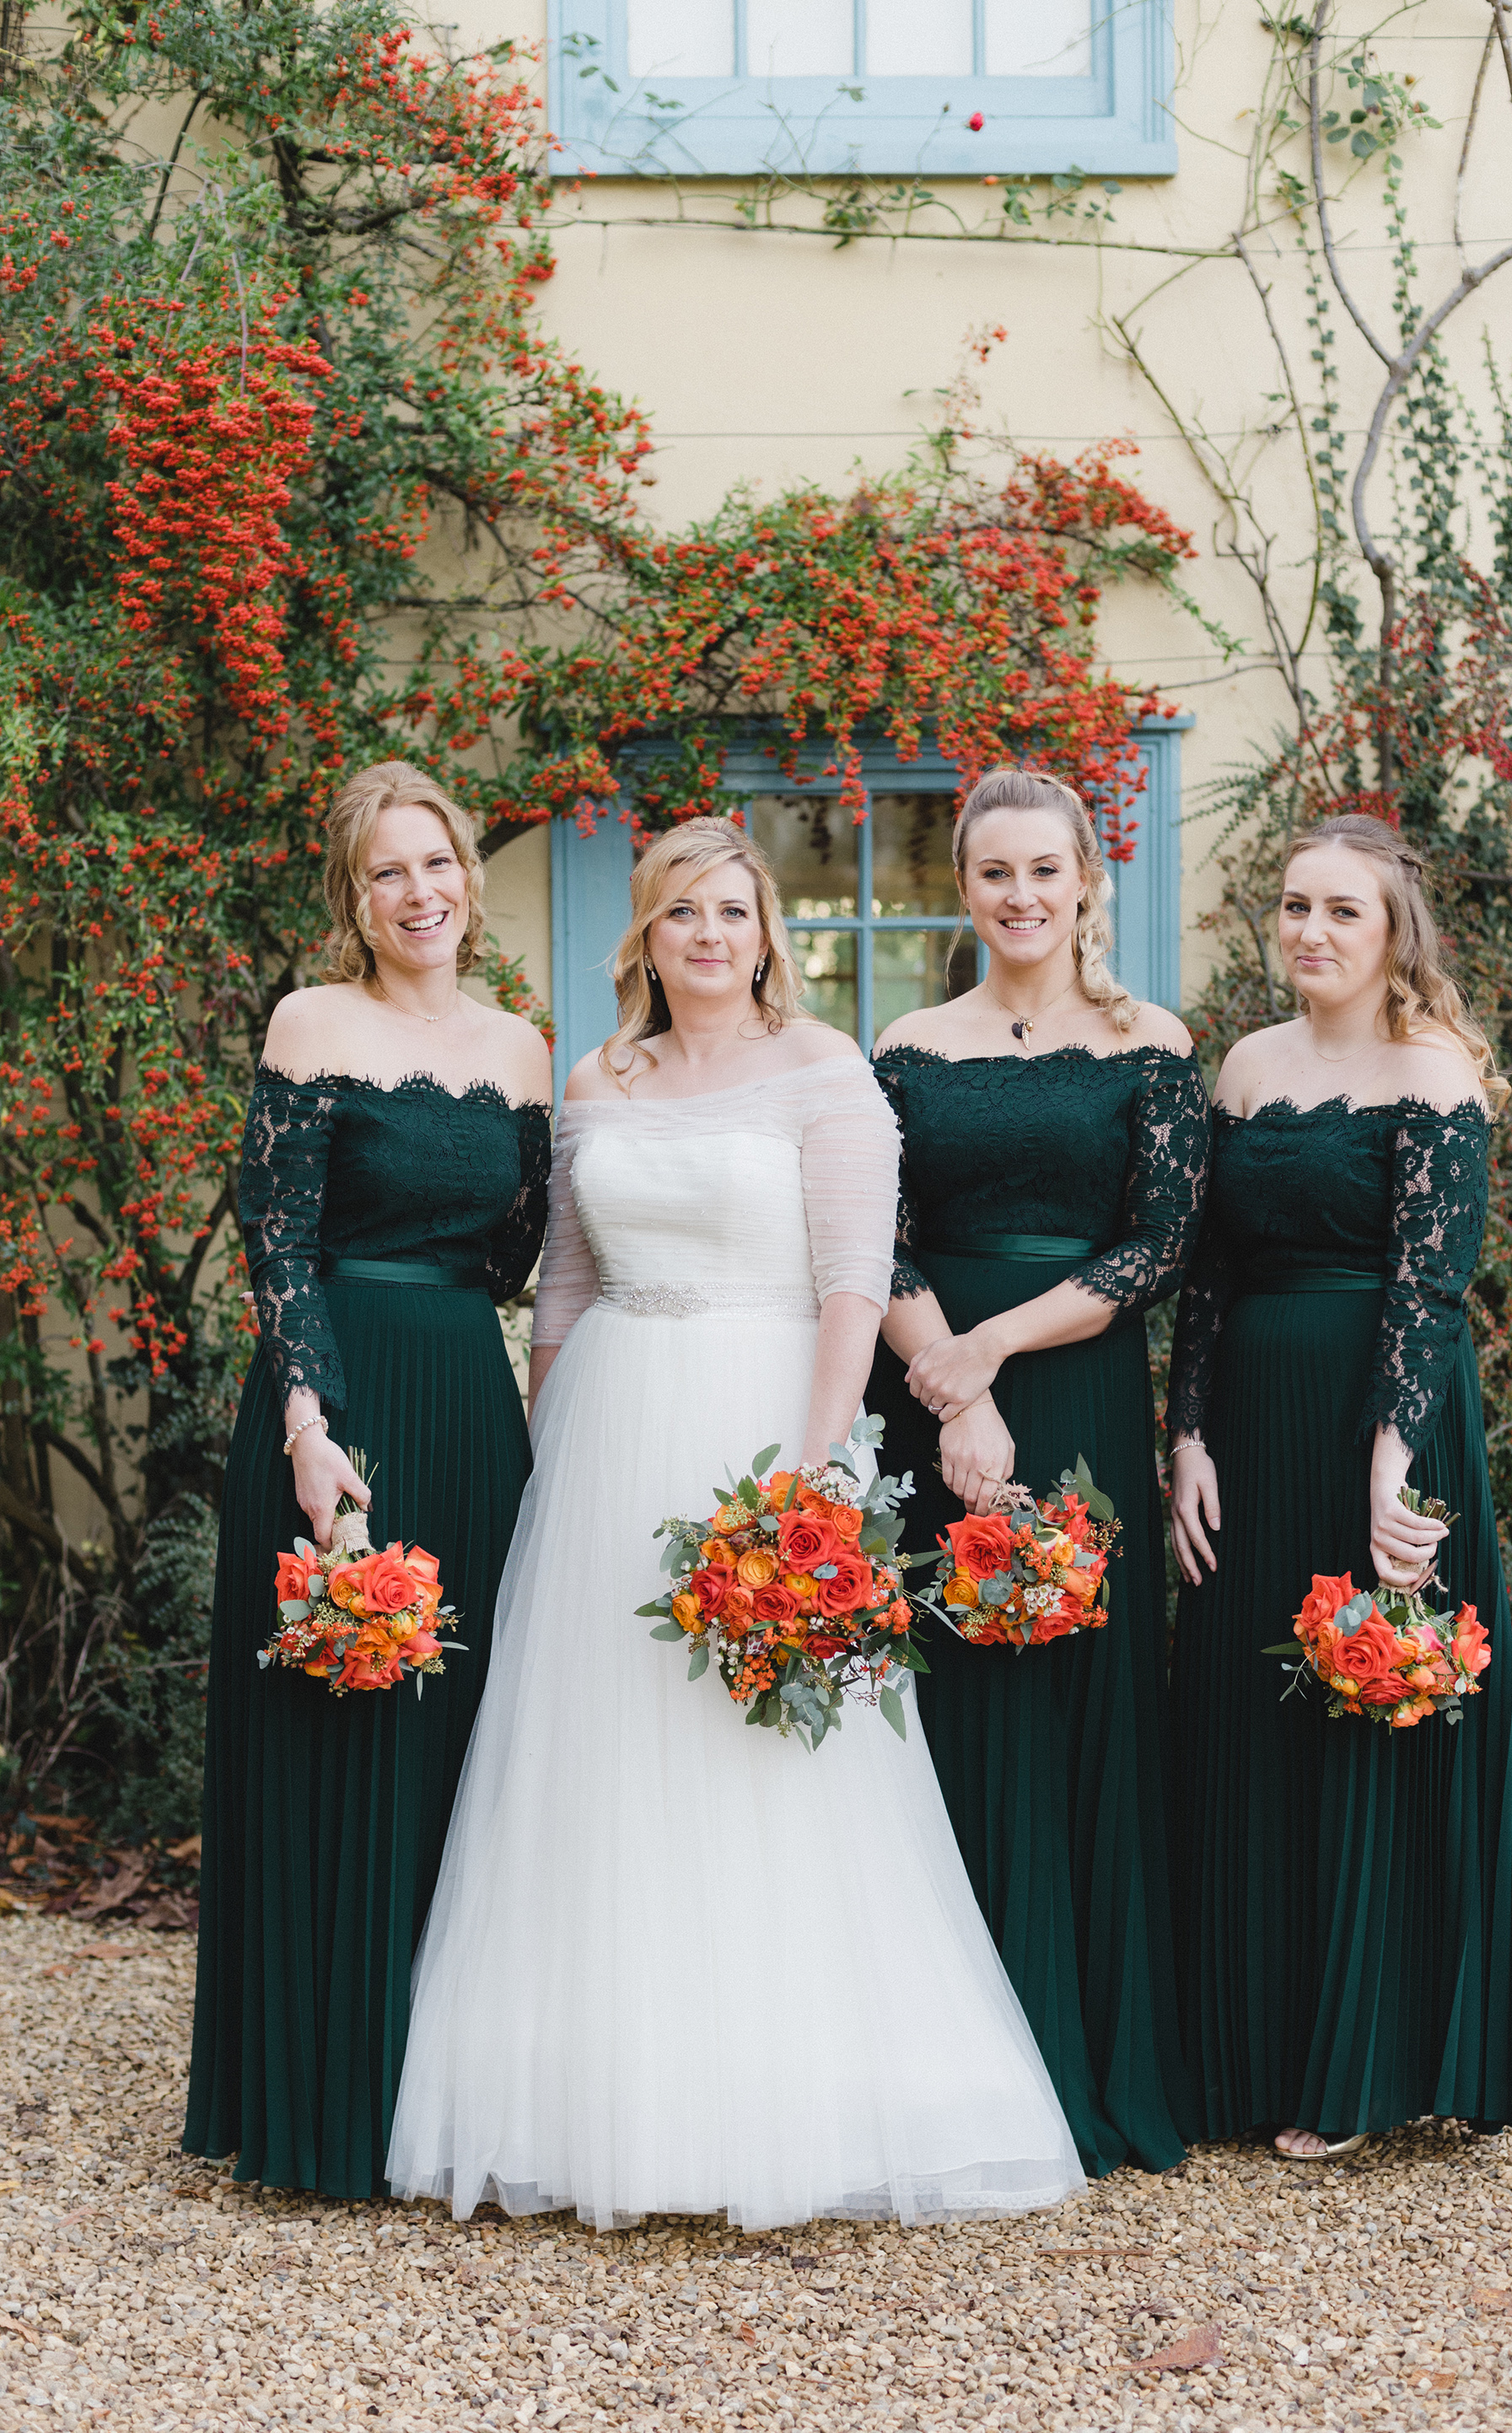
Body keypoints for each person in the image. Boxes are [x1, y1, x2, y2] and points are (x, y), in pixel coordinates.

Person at [386, 817, 1084, 2230]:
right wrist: (542, 1465)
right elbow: (566, 1297)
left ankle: (795, 2086)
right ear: (644, 932)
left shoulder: (826, 1071)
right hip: (607, 1443)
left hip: (765, 1422)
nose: (709, 933)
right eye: (681, 911)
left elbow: (847, 1284)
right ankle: (593, 2091)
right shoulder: (597, 1077)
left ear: (767, 931)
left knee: (769, 1755)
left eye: (732, 910)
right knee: (601, 1752)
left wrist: (813, 1475)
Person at [184, 762, 554, 2199]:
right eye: (388, 872)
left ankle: (440, 2099)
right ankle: (319, 2102)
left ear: (470, 873)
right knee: (330, 1725)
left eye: (439, 863)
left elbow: (518, 1250)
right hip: (328, 1401)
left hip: (466, 1398)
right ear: (355, 897)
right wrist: (309, 1423)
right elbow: (276, 1239)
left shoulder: (521, 1050)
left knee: (460, 1736)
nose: (421, 893)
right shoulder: (312, 1024)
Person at [1165, 813, 1512, 2160]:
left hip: (1387, 1420)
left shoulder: (1433, 1066)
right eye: (1294, 907)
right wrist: (1187, 1438)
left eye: (1342, 911)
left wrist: (1394, 1454)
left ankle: (1368, 2067)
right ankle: (1246, 2056)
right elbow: (1206, 1277)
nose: (1311, 932)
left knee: (1363, 1709)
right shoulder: (1249, 1063)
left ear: (1394, 933)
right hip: (1254, 1420)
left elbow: (1431, 1281)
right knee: (1246, 1714)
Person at [869, 765, 1208, 2177]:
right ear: (965, 886)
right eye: (995, 873)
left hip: (1065, 1390)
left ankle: (1089, 2065)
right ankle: (940, 2074)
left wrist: (989, 1353)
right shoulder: (903, 1042)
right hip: (930, 1392)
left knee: (1082, 1710)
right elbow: (870, 1236)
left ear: (1088, 883)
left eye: (1045, 872)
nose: (1021, 897)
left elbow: (1161, 1246)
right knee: (945, 1714)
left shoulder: (1154, 1044)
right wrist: (941, 1374)